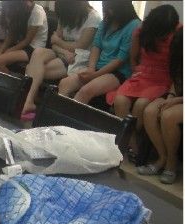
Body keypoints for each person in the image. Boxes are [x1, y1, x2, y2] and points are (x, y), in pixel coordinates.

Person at [109, 5, 180, 141]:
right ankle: (131, 143)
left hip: (163, 77)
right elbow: (133, 57)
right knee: (120, 101)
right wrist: (135, 71)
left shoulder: (178, 31)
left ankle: (129, 142)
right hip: (143, 74)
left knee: (141, 104)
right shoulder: (142, 30)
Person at [21, 0, 100, 117]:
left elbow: (81, 46)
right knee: (38, 52)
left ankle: (29, 101)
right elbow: (53, 43)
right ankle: (29, 102)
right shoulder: (65, 15)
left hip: (77, 58)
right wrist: (63, 49)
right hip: (63, 53)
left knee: (31, 68)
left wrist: (59, 42)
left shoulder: (93, 17)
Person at [58, 0, 140, 104]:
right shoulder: (106, 21)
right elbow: (96, 46)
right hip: (98, 67)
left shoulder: (134, 25)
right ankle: (59, 113)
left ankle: (69, 115)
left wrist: (95, 75)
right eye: (106, 9)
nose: (108, 12)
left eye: (111, 9)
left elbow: (120, 59)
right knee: (64, 83)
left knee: (85, 91)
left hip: (118, 72)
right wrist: (91, 69)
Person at [140, 27, 183, 184]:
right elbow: (177, 82)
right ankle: (162, 157)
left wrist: (176, 100)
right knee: (150, 111)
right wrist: (171, 97)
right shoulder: (179, 57)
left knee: (168, 116)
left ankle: (171, 163)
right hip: (178, 96)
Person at [0, 0, 48, 73]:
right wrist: (0, 51)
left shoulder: (38, 12)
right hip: (21, 43)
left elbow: (27, 41)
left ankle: (12, 80)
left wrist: (8, 51)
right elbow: (11, 35)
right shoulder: (19, 10)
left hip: (34, 48)